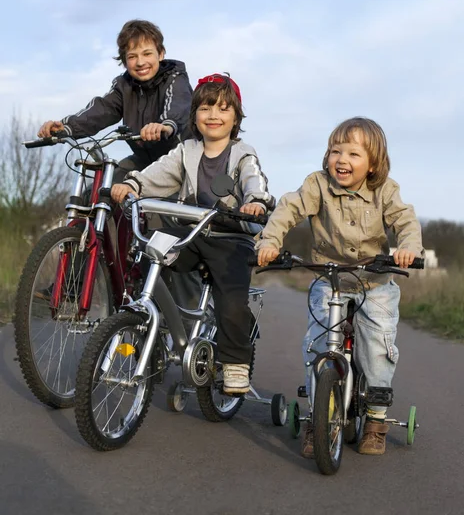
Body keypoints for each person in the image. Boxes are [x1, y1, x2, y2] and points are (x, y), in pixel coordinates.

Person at [256, 117, 423, 457]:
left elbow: (405, 221)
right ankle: (318, 419)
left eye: (354, 154)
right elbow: (287, 209)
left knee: (377, 347)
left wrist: (408, 249)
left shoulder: (385, 191)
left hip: (373, 282)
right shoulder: (316, 185)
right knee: (317, 345)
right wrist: (269, 241)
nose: (342, 160)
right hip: (329, 281)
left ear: (373, 163)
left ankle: (376, 419)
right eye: (335, 151)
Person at [111, 74, 275, 394]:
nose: (214, 115)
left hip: (230, 235)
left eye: (223, 108)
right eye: (206, 107)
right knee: (151, 251)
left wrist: (255, 203)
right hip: (191, 230)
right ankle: (153, 331)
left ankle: (236, 361)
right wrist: (132, 184)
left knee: (230, 293)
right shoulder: (186, 150)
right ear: (195, 116)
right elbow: (158, 173)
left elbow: (254, 184)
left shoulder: (242, 153)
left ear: (236, 117)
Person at [37, 19, 193, 183]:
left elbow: (178, 104)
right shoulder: (123, 86)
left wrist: (166, 126)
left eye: (147, 54)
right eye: (132, 56)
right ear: (125, 62)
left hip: (178, 159)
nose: (140, 62)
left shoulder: (175, 78)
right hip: (144, 160)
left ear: (160, 54)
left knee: (159, 203)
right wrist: (65, 127)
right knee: (102, 190)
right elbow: (101, 110)